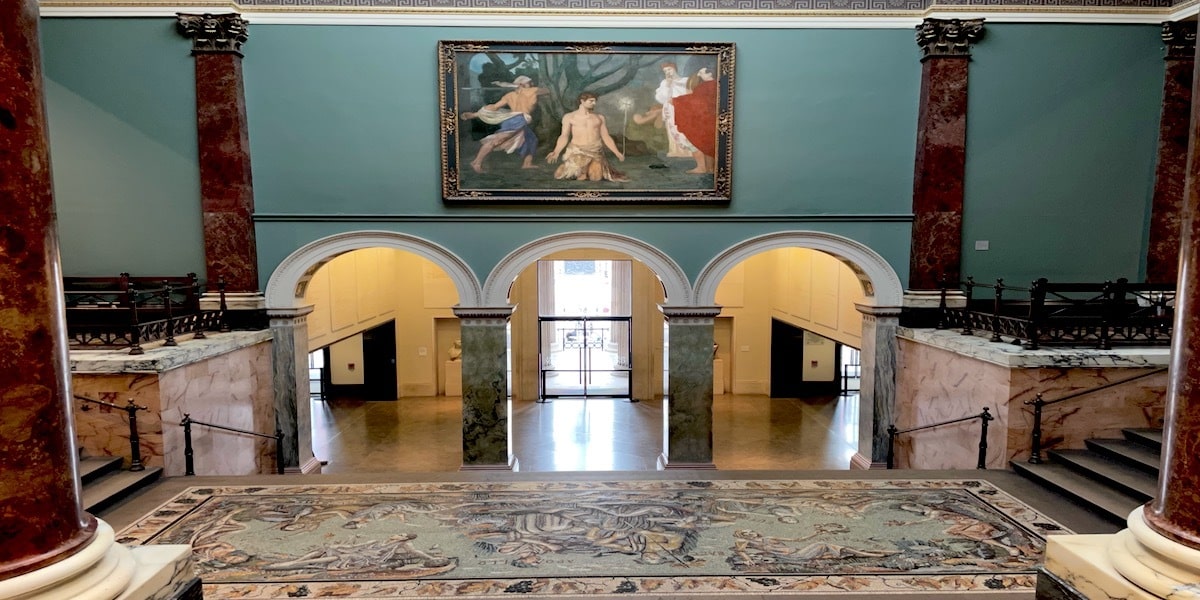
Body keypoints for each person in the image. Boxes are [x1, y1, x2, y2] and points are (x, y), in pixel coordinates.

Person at [460, 75, 548, 173]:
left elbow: (494, 107)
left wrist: (475, 114)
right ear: (522, 84)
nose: (532, 84)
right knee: (496, 141)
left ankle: (527, 164)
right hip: (517, 120)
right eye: (529, 82)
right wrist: (474, 115)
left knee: (531, 139)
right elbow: (547, 91)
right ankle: (476, 162)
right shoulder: (532, 91)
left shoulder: (509, 95)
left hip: (516, 119)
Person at [546, 92, 628, 182]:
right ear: (582, 101)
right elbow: (564, 136)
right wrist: (556, 151)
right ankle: (573, 168)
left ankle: (587, 170)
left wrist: (617, 152)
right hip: (577, 151)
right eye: (591, 101)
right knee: (561, 175)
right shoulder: (569, 117)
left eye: (595, 101)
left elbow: (606, 136)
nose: (594, 103)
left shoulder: (599, 117)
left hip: (595, 151)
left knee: (595, 177)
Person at [671, 66, 719, 174]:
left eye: (701, 73)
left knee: (704, 144)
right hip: (709, 120)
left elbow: (696, 101)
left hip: (705, 121)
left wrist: (676, 101)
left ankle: (705, 168)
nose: (699, 75)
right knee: (708, 146)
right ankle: (710, 169)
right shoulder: (713, 86)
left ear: (709, 74)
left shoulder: (706, 87)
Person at [652, 62, 698, 160]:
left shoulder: (685, 80)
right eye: (665, 71)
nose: (667, 72)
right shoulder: (664, 83)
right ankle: (677, 151)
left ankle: (690, 151)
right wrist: (668, 85)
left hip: (683, 108)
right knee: (673, 128)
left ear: (674, 69)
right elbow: (662, 98)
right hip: (670, 110)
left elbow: (691, 95)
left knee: (685, 129)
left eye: (669, 69)